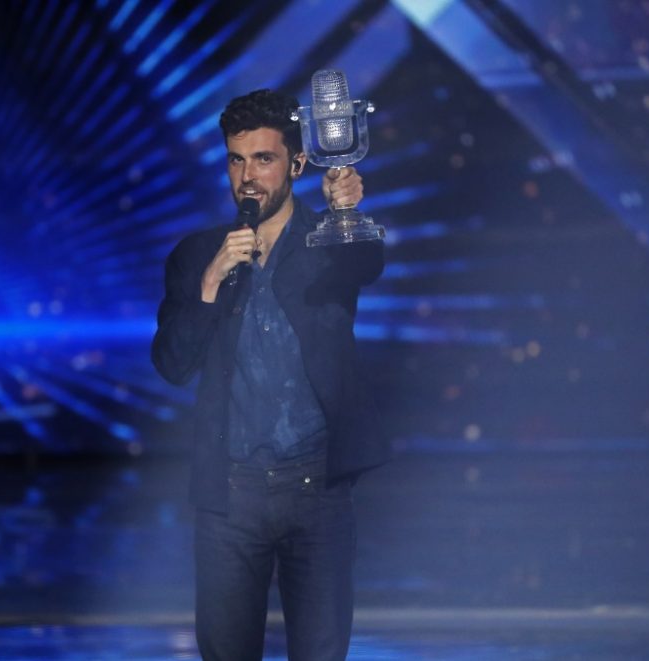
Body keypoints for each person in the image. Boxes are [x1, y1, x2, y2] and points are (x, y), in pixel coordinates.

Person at [151, 88, 389, 661]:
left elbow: (368, 264)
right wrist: (209, 285)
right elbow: (171, 364)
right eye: (237, 159)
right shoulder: (197, 255)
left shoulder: (330, 239)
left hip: (317, 491)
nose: (248, 175)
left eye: (264, 158)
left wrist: (346, 211)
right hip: (229, 498)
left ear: (298, 163)